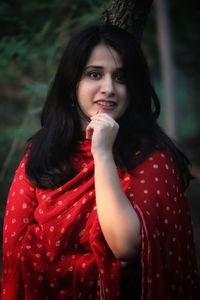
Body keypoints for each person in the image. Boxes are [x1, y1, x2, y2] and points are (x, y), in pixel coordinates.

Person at [1, 24, 199, 300]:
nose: (109, 88)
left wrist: (103, 153)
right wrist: (99, 264)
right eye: (95, 74)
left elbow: (125, 246)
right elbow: (15, 251)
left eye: (121, 77)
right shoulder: (42, 155)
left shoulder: (152, 158)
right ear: (73, 84)